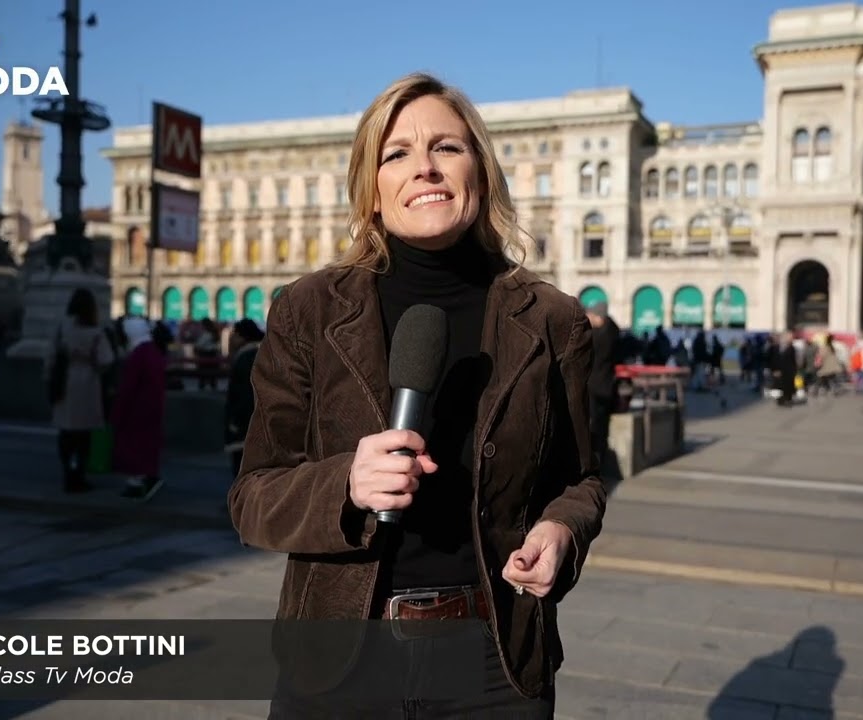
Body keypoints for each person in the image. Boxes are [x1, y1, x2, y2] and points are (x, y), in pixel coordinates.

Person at [228, 72, 607, 717]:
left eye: (446, 147)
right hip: (336, 661)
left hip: (492, 664)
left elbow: (581, 480)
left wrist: (561, 529)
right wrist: (346, 485)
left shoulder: (551, 319)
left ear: (479, 171)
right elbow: (253, 496)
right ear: (371, 190)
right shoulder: (309, 310)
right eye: (396, 153)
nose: (424, 168)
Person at [49, 288, 113, 493]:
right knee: (84, 433)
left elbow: (51, 355)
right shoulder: (95, 331)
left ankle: (67, 473)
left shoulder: (62, 327)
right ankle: (79, 475)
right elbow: (106, 360)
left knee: (66, 431)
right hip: (87, 382)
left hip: (65, 381)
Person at [111, 318, 170, 501]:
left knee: (133, 446)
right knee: (147, 445)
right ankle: (146, 477)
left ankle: (137, 482)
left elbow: (128, 386)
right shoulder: (152, 351)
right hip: (151, 406)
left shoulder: (138, 354)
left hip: (136, 409)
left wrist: (117, 411)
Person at [223, 318, 265, 479]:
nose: (231, 338)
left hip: (244, 426)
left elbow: (244, 393)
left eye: (235, 334)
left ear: (243, 336)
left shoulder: (246, 358)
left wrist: (236, 421)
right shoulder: (258, 354)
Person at [585, 301, 619, 468]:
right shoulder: (612, 332)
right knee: (602, 426)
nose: (588, 319)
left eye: (590, 316)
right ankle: (601, 459)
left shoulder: (595, 337)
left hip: (593, 386)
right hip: (607, 386)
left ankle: (593, 462)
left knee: (592, 425)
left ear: (598, 317)